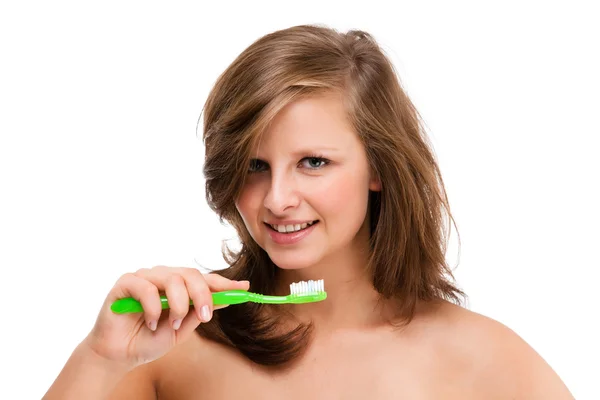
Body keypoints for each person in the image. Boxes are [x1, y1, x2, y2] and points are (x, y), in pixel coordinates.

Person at [44, 24, 573, 399]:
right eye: (254, 166)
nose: (276, 199)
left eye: (313, 162)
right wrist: (101, 359)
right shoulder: (171, 349)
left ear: (378, 167)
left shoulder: (484, 359)